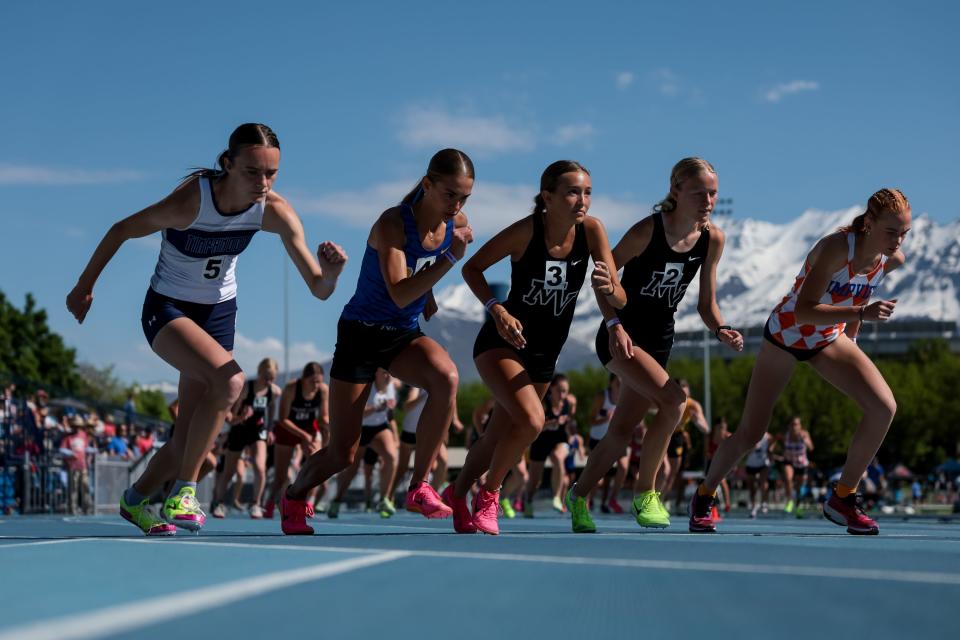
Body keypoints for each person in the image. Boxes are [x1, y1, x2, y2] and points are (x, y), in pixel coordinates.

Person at [67, 123, 347, 536]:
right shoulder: (190, 202)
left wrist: (333, 273)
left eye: (271, 173)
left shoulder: (275, 211)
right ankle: (185, 490)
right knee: (231, 383)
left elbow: (320, 290)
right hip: (168, 309)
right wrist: (84, 286)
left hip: (218, 315)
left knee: (187, 440)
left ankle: (136, 499)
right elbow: (121, 230)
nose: (263, 183)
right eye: (252, 172)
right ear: (228, 164)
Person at [690, 189, 910, 535]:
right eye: (891, 232)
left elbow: (860, 293)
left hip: (827, 339)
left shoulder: (890, 259)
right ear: (868, 224)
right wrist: (862, 314)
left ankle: (843, 496)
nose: (898, 241)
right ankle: (704, 495)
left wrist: (852, 339)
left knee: (884, 407)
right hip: (787, 334)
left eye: (904, 233)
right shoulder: (836, 248)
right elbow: (805, 309)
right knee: (751, 433)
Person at [281, 149, 475, 534]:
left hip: (401, 335)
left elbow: (416, 276)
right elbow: (401, 292)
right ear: (427, 185)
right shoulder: (392, 224)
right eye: (450, 194)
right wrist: (449, 260)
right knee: (343, 453)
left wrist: (431, 292)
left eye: (465, 197)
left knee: (446, 377)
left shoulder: (456, 222)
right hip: (361, 333)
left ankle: (419, 486)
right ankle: (295, 495)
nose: (457, 205)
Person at [445, 160, 624, 535]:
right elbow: (471, 269)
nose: (583, 200)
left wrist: (612, 295)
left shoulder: (592, 232)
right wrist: (497, 310)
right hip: (502, 343)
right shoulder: (526, 232)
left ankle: (458, 493)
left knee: (498, 434)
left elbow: (619, 297)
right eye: (573, 192)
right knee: (532, 420)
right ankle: (489, 496)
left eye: (588, 192)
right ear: (548, 197)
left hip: (545, 352)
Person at [565, 157, 743, 534]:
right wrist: (614, 324)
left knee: (622, 431)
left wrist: (722, 328)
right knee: (674, 401)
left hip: (659, 340)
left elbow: (706, 304)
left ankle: (578, 495)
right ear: (676, 191)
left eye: (713, 193)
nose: (708, 200)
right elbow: (603, 278)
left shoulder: (713, 239)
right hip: (621, 337)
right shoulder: (647, 231)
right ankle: (646, 493)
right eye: (699, 193)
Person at [214, 358, 282, 518]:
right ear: (259, 373)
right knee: (229, 471)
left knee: (260, 467)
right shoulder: (246, 389)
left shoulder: (275, 391)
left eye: (272, 377)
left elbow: (271, 406)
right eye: (266, 376)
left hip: (258, 430)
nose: (269, 381)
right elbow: (230, 417)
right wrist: (242, 416)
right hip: (239, 429)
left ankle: (256, 504)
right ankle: (219, 503)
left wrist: (271, 429)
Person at [263, 362, 327, 519]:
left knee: (316, 467)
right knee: (280, 477)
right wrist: (302, 435)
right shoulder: (291, 388)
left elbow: (323, 417)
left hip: (309, 429)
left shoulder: (323, 390)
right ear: (303, 379)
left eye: (319, 381)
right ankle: (270, 504)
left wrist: (328, 426)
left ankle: (309, 503)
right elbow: (283, 419)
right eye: (313, 381)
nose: (316, 385)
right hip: (288, 429)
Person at [659, 379, 708, 514]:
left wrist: (697, 422)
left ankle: (661, 500)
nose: (683, 401)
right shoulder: (667, 400)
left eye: (686, 396)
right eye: (681, 397)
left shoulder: (693, 406)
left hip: (677, 437)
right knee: (665, 470)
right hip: (662, 433)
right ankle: (650, 496)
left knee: (672, 472)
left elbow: (706, 428)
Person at [587, 374, 626, 514]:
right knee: (599, 474)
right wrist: (605, 419)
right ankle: (590, 500)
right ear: (611, 383)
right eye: (618, 383)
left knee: (623, 467)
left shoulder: (626, 398)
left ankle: (612, 499)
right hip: (598, 438)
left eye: (623, 384)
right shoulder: (602, 397)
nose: (620, 386)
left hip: (617, 439)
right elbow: (590, 419)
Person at [782, 416, 814, 514]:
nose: (794, 427)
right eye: (792, 424)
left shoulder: (804, 434)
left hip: (801, 463)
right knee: (788, 478)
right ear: (789, 426)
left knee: (799, 488)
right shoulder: (786, 435)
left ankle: (798, 505)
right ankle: (789, 500)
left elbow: (811, 448)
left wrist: (806, 441)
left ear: (800, 426)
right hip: (790, 461)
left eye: (796, 424)